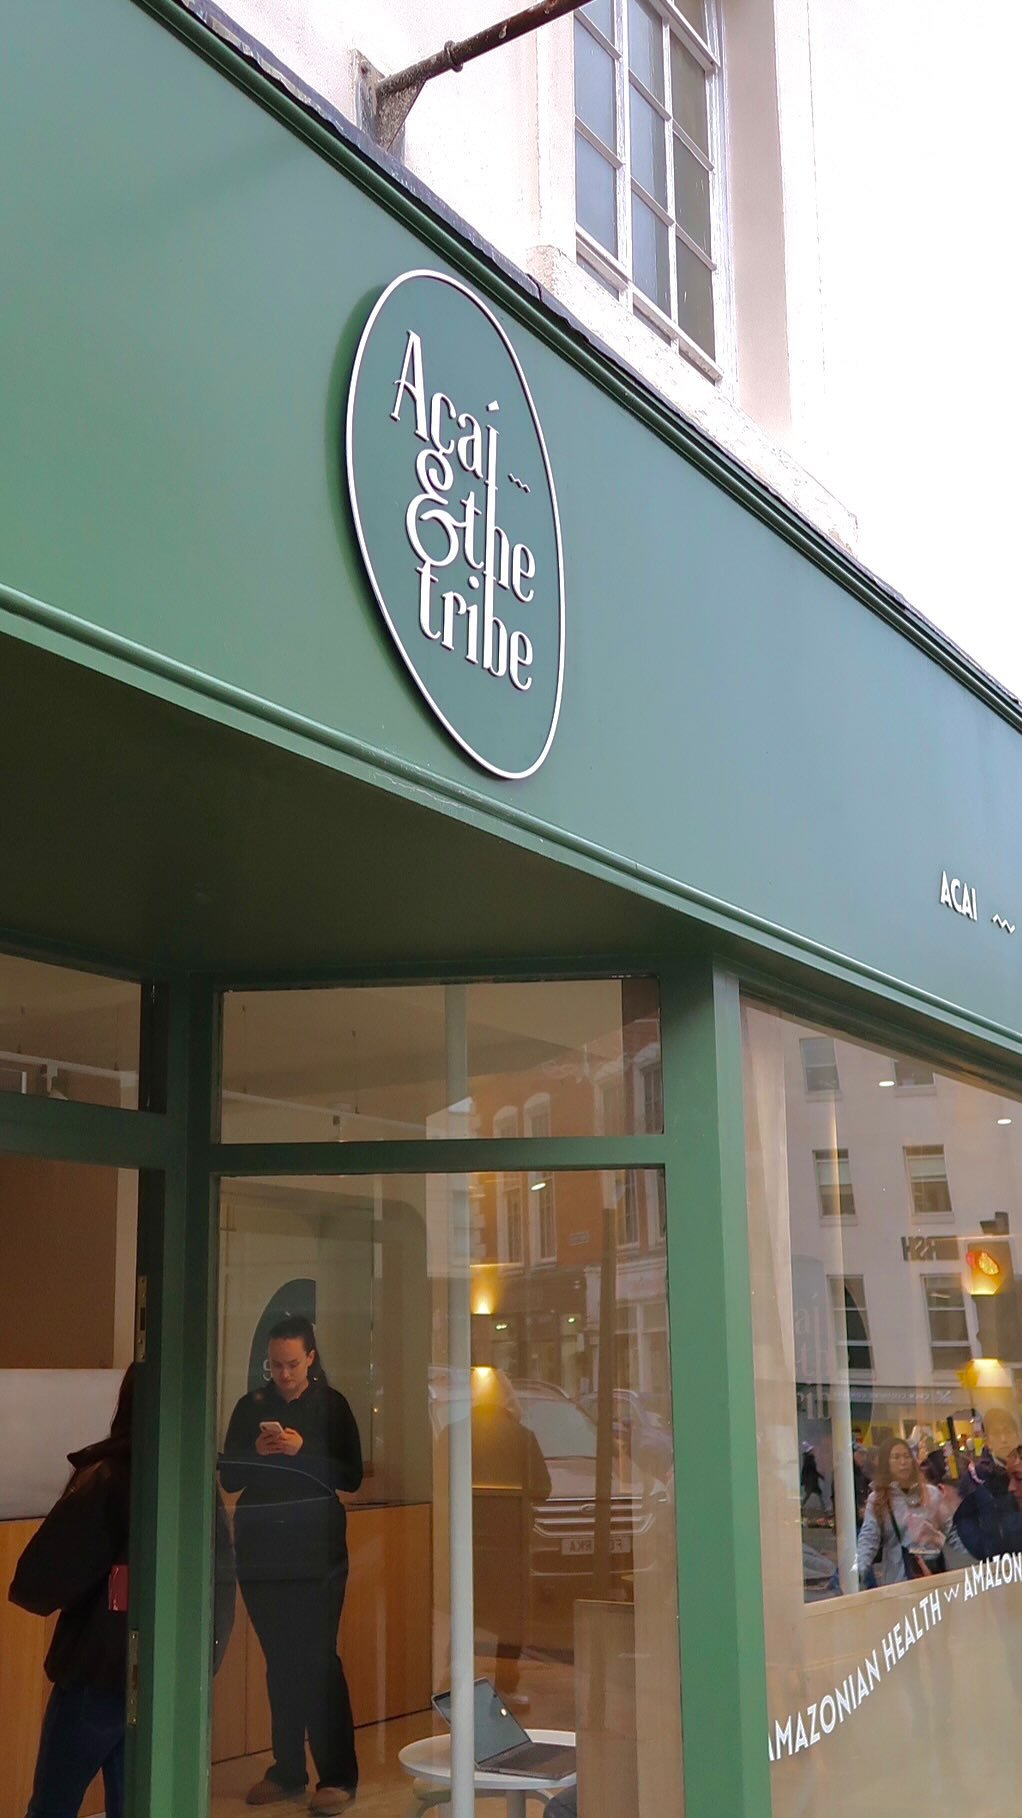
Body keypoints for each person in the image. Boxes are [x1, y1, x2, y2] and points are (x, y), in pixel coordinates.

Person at [221, 1315, 363, 1814]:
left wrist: (304, 1452)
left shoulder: (331, 1405)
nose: (283, 1374)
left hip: (316, 1548)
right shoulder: (251, 1406)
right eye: (275, 1365)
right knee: (279, 1659)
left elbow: (352, 1476)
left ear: (311, 1359)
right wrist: (255, 1452)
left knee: (318, 1659)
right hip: (262, 1547)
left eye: (292, 1365)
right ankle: (287, 1769)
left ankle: (338, 1776)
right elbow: (230, 1476)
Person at [9, 1368, 135, 1818]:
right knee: (138, 1802)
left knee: (53, 1805)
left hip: (97, 1669)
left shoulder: (109, 1477)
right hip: (161, 1672)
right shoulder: (191, 1479)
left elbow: (41, 1578)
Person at [856, 1435, 954, 1584]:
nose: (903, 1462)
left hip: (933, 1577)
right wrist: (857, 1572)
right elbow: (869, 1538)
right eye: (896, 1457)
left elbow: (951, 1530)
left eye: (906, 1456)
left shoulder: (931, 1493)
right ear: (886, 1463)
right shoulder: (878, 1500)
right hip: (898, 1582)